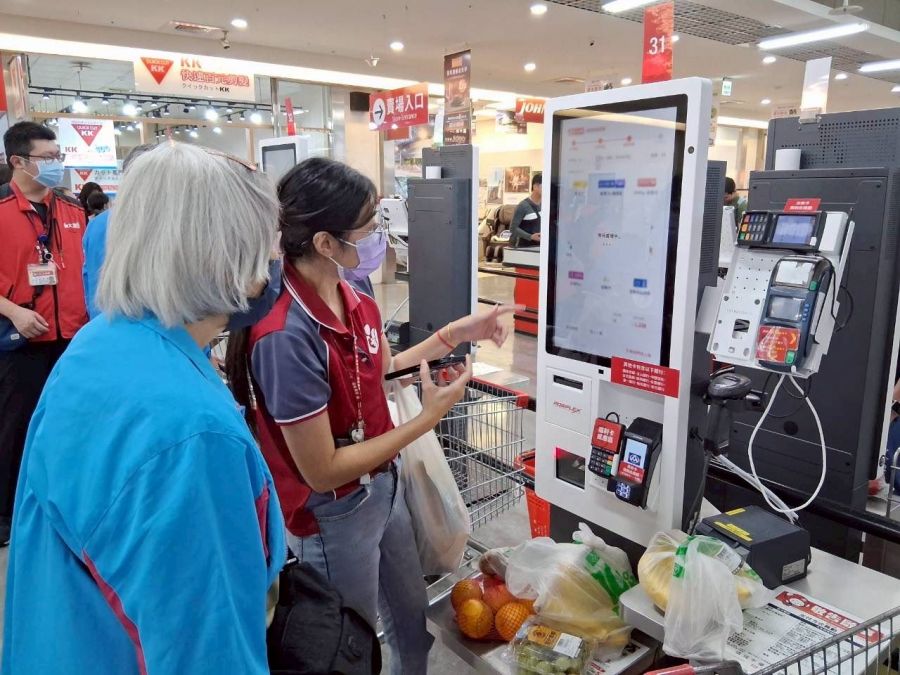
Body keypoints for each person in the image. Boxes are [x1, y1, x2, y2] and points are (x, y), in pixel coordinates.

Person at [226, 157, 517, 674]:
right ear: (324, 242)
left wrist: (455, 334)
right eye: (369, 225)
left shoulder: (353, 293)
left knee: (409, 613)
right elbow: (323, 469)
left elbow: (383, 367)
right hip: (332, 512)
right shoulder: (285, 336)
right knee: (349, 641)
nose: (380, 233)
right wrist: (424, 421)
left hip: (383, 487)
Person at [2, 142, 286, 674]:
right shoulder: (191, 434)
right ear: (231, 255)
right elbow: (206, 652)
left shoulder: (100, 345)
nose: (276, 259)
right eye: (271, 241)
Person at [0, 121, 88, 546]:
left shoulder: (72, 210)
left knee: (68, 425)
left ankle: (65, 503)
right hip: (21, 342)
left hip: (73, 340)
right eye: (47, 159)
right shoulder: (0, 209)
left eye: (59, 157)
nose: (56, 165)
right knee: (14, 429)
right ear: (18, 161)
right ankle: (9, 516)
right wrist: (13, 310)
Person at [82, 144, 154, 319]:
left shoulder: (98, 224)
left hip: (110, 328)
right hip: (159, 332)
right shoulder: (166, 222)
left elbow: (91, 282)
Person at [511, 172, 542, 247]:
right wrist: (530, 237)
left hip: (540, 248)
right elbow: (513, 228)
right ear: (535, 186)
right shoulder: (523, 205)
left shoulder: (545, 205)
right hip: (525, 248)